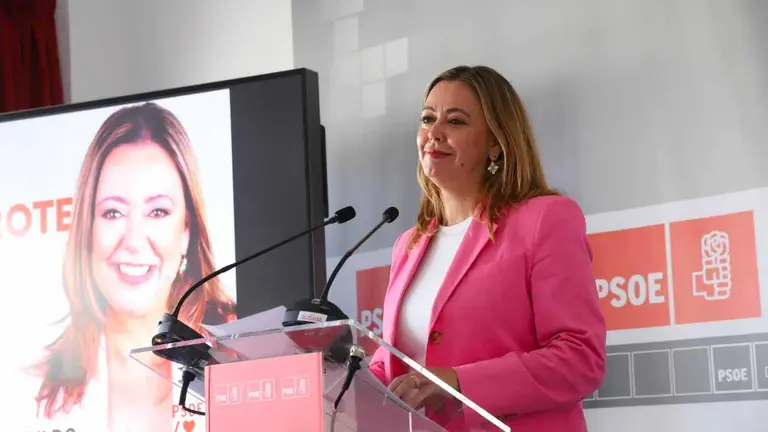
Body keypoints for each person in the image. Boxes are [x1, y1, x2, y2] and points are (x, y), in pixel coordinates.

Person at [368, 65, 606, 431]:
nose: (434, 132)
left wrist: (458, 382)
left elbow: (580, 359)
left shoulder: (545, 219)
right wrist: (337, 374)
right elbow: (397, 360)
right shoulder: (409, 244)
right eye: (427, 118)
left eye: (456, 121)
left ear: (496, 142)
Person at [29, 102, 236, 431]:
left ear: (187, 232)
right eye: (113, 213)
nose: (134, 241)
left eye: (157, 212)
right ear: (88, 230)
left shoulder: (240, 356)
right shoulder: (33, 388)